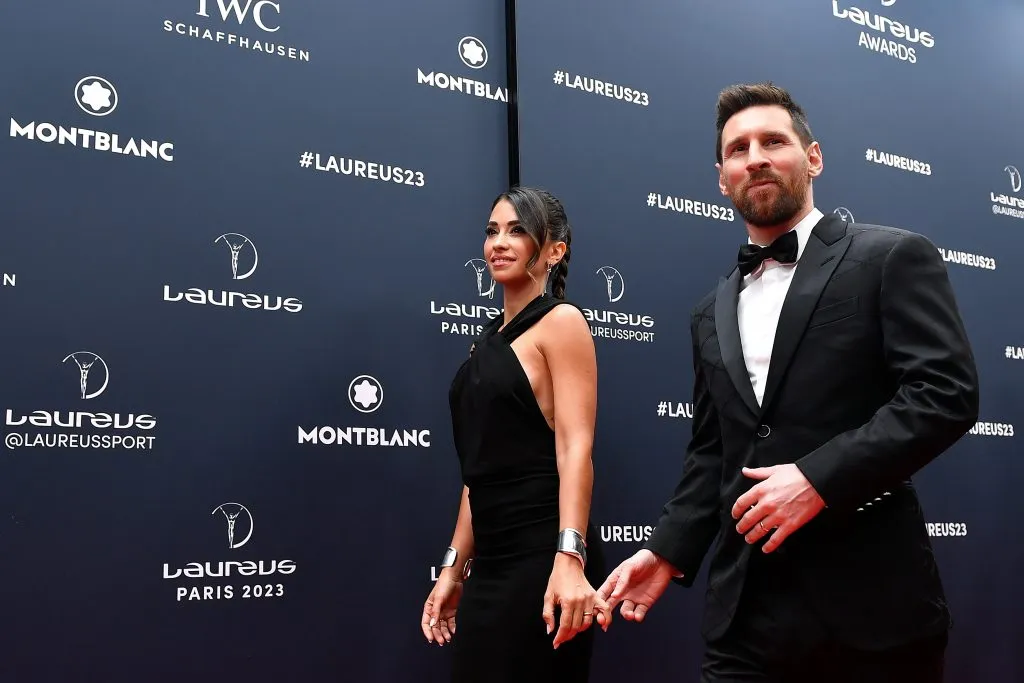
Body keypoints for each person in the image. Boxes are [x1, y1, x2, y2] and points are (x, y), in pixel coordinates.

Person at [595, 82, 980, 682]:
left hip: (873, 610)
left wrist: (818, 479)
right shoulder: (709, 311)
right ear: (722, 178)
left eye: (773, 141)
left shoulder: (890, 257)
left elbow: (945, 393)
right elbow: (713, 452)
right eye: (738, 149)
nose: (755, 158)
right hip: (746, 618)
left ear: (813, 157)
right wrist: (668, 550)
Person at [421, 186, 608, 682]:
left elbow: (575, 447)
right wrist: (452, 568)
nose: (499, 243)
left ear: (554, 250)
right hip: (492, 563)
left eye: (517, 230)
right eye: (492, 231)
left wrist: (570, 557)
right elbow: (478, 473)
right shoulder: (484, 343)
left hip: (544, 558)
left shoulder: (561, 323)